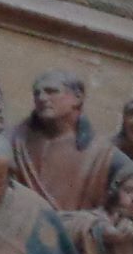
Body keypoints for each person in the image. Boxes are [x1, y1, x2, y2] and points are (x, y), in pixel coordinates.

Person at [10, 68, 96, 210]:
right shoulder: (15, 140)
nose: (42, 98)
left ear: (77, 98)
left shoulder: (101, 153)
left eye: (51, 91)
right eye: (37, 93)